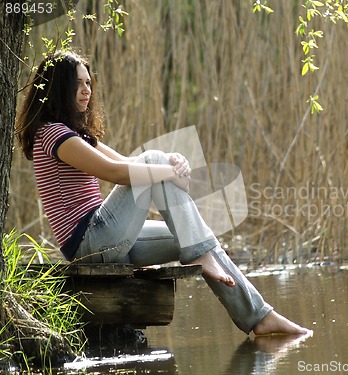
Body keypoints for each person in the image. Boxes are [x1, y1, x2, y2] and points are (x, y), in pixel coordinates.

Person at [15, 50, 312, 337]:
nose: (86, 90)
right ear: (57, 89)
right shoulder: (53, 134)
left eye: (88, 82)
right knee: (160, 172)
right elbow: (115, 173)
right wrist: (165, 169)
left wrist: (172, 160)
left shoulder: (75, 134)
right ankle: (203, 258)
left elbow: (127, 162)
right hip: (91, 242)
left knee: (199, 237)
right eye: (76, 84)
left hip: (108, 240)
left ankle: (260, 317)